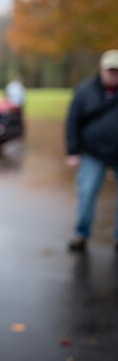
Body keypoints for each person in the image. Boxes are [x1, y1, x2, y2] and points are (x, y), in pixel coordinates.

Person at [65, 49, 118, 252]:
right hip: (92, 153)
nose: (113, 74)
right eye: (110, 70)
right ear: (102, 69)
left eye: (117, 71)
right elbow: (72, 121)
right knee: (86, 194)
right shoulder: (85, 90)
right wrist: (72, 151)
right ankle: (81, 233)